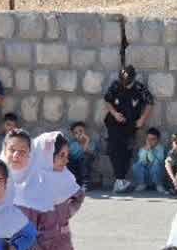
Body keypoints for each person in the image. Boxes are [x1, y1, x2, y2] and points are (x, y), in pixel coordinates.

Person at [103, 64, 156, 192]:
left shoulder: (139, 88)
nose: (125, 85)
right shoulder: (116, 85)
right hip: (114, 123)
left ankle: (120, 181)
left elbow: (150, 102)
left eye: (128, 83)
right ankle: (119, 180)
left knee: (126, 152)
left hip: (130, 125)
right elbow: (107, 100)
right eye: (124, 82)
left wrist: (142, 119)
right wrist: (115, 114)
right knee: (114, 150)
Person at [131, 127, 168, 193]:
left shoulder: (161, 149)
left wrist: (150, 151)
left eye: (153, 139)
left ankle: (158, 185)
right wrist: (145, 150)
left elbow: (158, 161)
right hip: (147, 175)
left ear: (158, 140)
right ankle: (142, 184)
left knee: (156, 164)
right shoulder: (143, 149)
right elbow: (142, 161)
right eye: (148, 139)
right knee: (137, 165)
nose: (150, 141)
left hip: (157, 175)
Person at [66, 120, 95, 188]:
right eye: (76, 133)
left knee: (86, 156)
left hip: (84, 165)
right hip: (74, 165)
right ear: (74, 135)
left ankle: (85, 183)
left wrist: (86, 141)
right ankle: (73, 182)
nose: (79, 134)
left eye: (81, 131)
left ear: (86, 132)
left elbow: (87, 152)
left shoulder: (91, 143)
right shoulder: (72, 144)